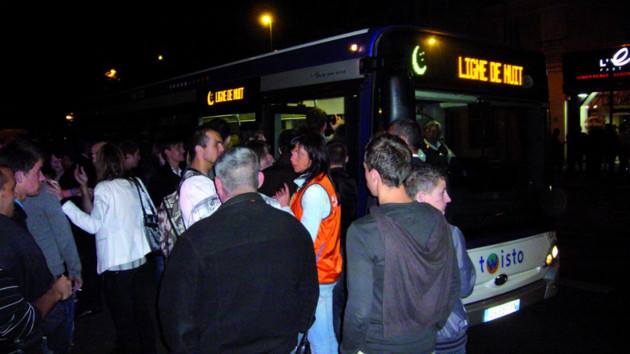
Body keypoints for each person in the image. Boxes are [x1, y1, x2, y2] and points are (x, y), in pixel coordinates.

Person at [159, 147, 319, 353]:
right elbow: (308, 292)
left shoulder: (195, 240)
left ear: (218, 184)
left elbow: (176, 315)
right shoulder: (293, 229)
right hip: (280, 346)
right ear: (259, 179)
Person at [341, 133, 459, 354]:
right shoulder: (436, 218)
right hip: (425, 341)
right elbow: (452, 283)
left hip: (379, 346)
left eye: (365, 170)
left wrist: (348, 348)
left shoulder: (363, 231)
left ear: (374, 175)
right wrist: (434, 325)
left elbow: (359, 310)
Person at [59, 143, 158, 354]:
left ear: (103, 162)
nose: (93, 160)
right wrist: (85, 187)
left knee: (124, 320)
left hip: (118, 267)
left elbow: (93, 226)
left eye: (96, 157)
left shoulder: (105, 187)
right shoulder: (131, 183)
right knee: (141, 314)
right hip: (139, 261)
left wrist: (64, 204)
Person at [276, 130, 342, 354]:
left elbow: (303, 239)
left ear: (312, 156)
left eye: (297, 153)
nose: (292, 157)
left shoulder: (313, 192)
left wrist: (285, 207)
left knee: (321, 338)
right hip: (323, 270)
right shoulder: (320, 183)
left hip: (318, 274)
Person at [0, 165, 73, 354]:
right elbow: (18, 323)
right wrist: (55, 293)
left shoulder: (12, 222)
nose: (15, 195)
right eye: (11, 188)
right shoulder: (7, 234)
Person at [405, 164, 476, 354]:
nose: (449, 199)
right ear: (421, 198)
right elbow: (465, 286)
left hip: (408, 337)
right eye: (442, 193)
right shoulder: (450, 234)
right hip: (446, 333)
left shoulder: (394, 231)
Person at [179, 126, 225, 229]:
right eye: (216, 145)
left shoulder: (200, 180)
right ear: (200, 150)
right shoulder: (196, 184)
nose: (222, 149)